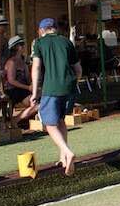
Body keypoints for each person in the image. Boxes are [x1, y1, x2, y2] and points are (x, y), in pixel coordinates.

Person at [31, 18, 82, 176]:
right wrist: (73, 83)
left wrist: (34, 92)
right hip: (70, 87)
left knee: (49, 124)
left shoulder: (39, 43)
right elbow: (78, 69)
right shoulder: (67, 42)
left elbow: (36, 67)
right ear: (55, 28)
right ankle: (63, 157)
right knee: (60, 120)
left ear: (41, 30)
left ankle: (67, 151)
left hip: (51, 88)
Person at [4, 36, 38, 123]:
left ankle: (22, 119)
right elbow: (11, 80)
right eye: (21, 45)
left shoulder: (23, 61)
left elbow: (27, 78)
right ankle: (17, 119)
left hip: (23, 90)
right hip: (13, 90)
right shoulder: (11, 62)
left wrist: (33, 85)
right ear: (16, 47)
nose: (23, 46)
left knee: (39, 98)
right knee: (35, 103)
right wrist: (28, 88)